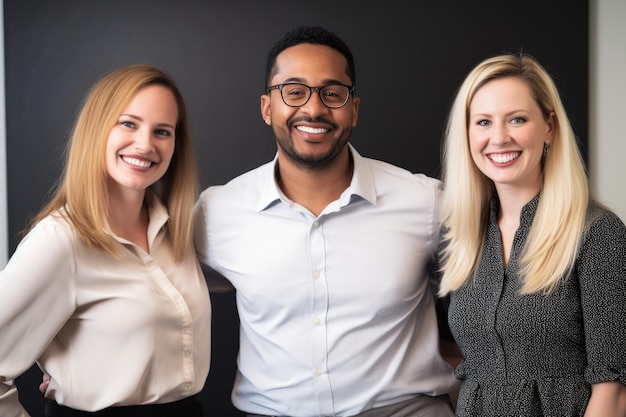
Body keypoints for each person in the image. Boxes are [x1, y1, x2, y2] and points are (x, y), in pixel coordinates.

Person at [193, 25, 457, 417]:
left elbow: (492, 301)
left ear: (354, 109)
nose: (314, 109)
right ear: (268, 108)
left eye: (332, 93)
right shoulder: (217, 213)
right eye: (294, 91)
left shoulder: (425, 202)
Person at [0, 64, 211, 417]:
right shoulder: (61, 242)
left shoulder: (178, 231)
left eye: (162, 131)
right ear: (97, 129)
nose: (145, 144)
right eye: (129, 123)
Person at [436, 53, 626, 416]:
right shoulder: (459, 239)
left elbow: (613, 391)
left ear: (549, 127)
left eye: (517, 119)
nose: (499, 138)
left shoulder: (598, 233)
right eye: (483, 122)